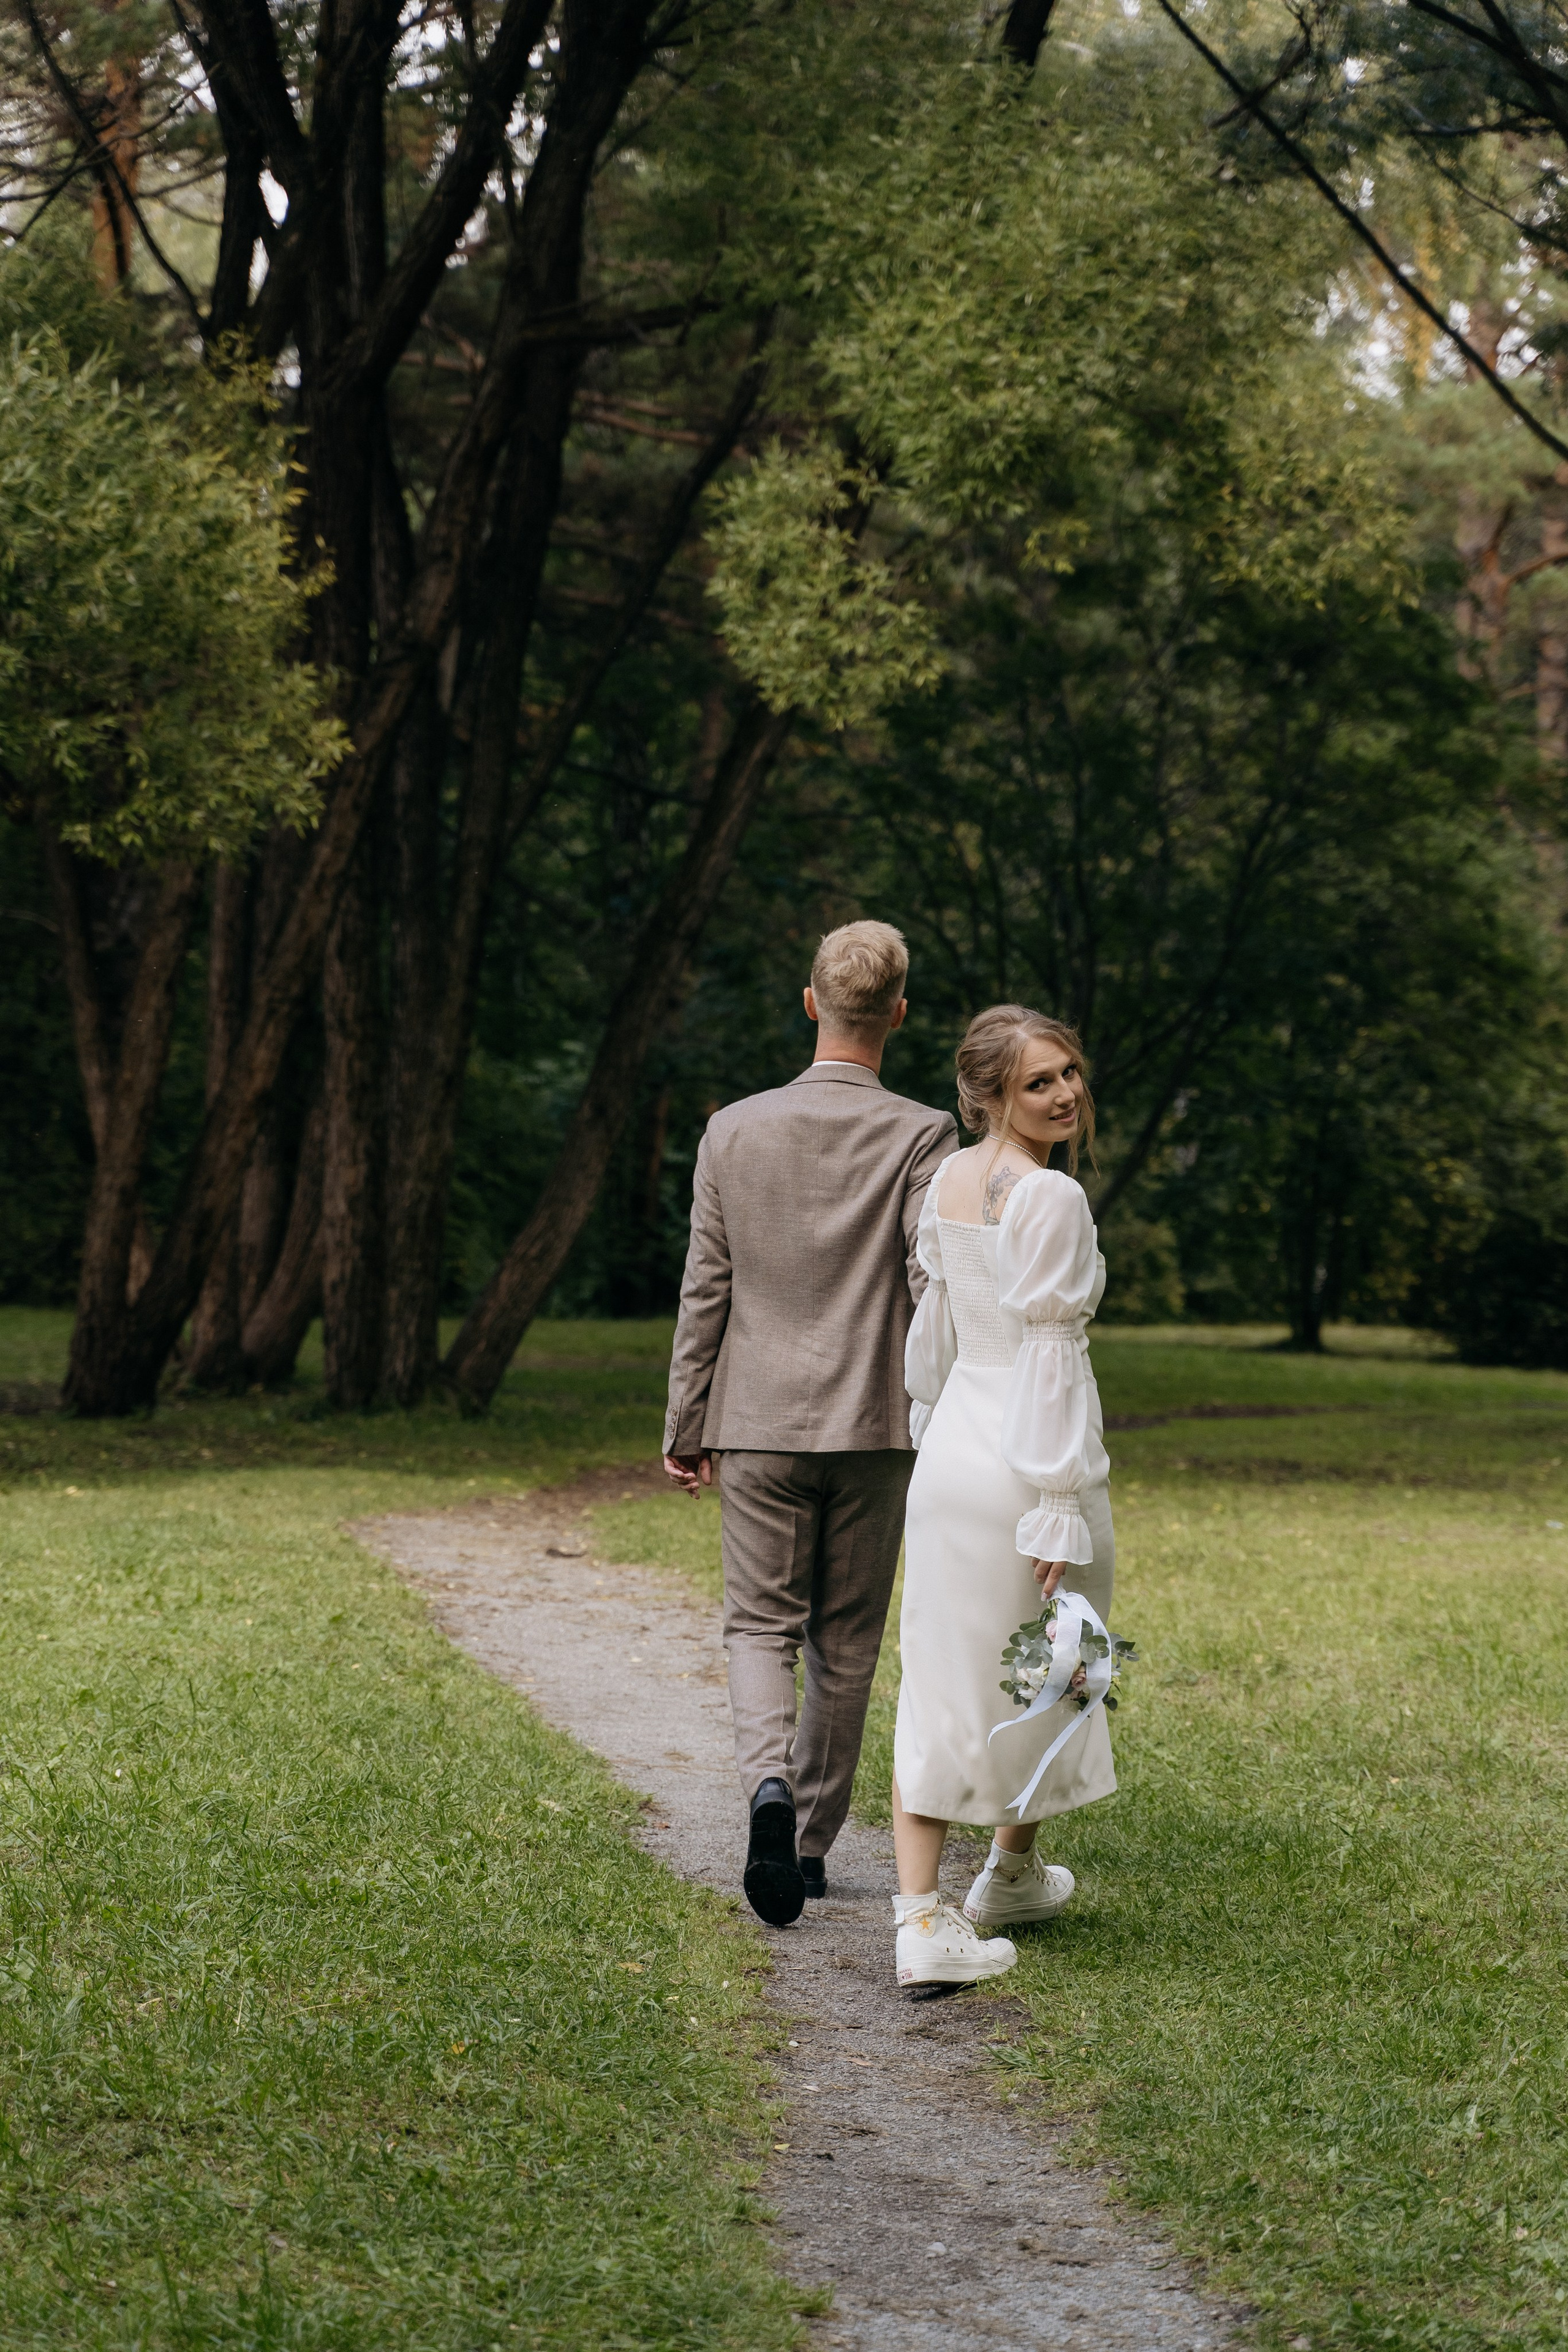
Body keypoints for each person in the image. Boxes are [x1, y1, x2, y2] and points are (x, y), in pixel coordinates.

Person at [663, 921, 956, 1926]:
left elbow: (709, 1285)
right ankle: (817, 1845)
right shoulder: (924, 1135)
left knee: (759, 1626)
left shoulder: (732, 1130)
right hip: (878, 1425)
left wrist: (685, 1416)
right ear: (900, 1016)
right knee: (847, 1637)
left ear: (810, 1004)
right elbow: (933, 1280)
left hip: (755, 1419)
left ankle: (767, 1799)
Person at [891, 1005, 1116, 1996]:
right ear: (987, 1095)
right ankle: (952, 1911)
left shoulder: (946, 1178)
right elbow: (1054, 1355)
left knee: (945, 1675)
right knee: (1051, 1662)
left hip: (952, 1457)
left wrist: (924, 1416)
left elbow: (938, 1319)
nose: (1064, 1093)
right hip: (1026, 1457)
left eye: (1068, 1073)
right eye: (1038, 1082)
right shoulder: (1051, 1198)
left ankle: (991, 1886)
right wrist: (1060, 1500)